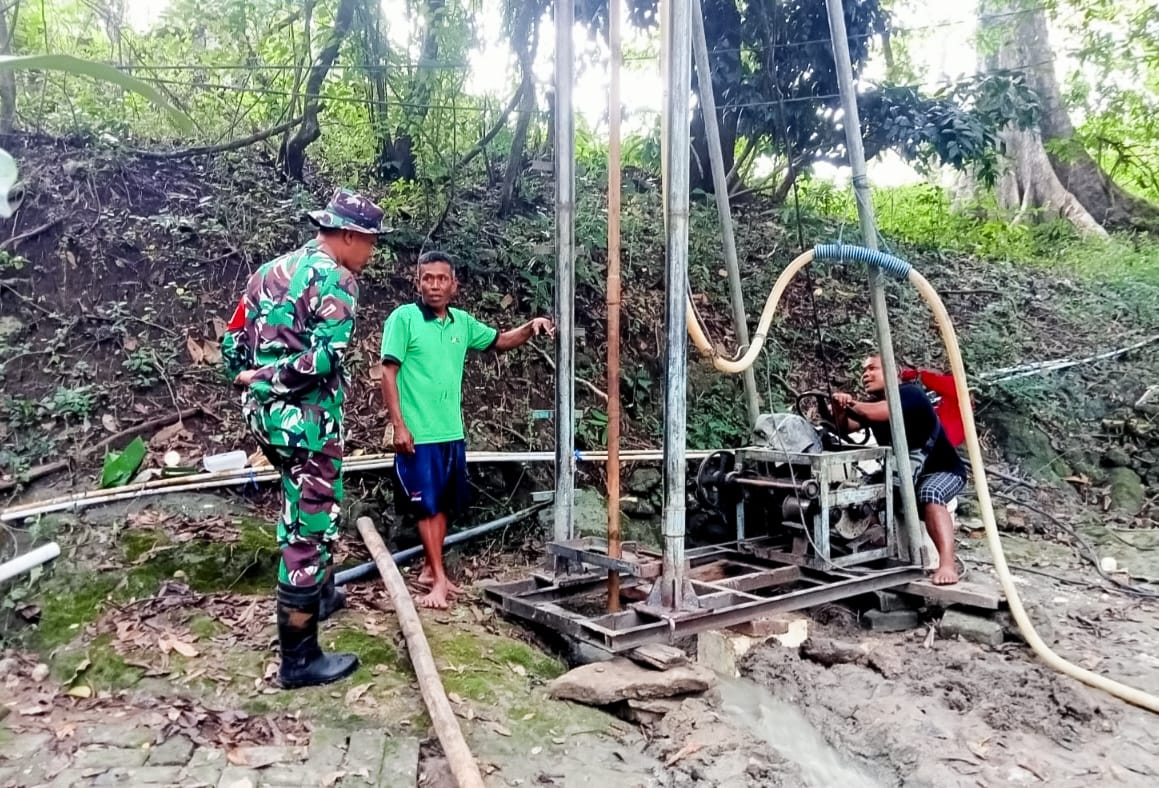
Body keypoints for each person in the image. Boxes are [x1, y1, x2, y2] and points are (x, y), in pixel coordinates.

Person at [223, 187, 387, 688]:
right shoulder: (337, 280)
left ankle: (320, 595)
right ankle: (299, 662)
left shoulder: (268, 271)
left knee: (306, 503)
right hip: (305, 420)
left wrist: (250, 378)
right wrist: (271, 379)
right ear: (347, 235)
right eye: (370, 243)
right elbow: (325, 359)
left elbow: (234, 340)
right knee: (310, 527)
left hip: (265, 419)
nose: (372, 254)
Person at [380, 250, 554, 609]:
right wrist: (399, 426)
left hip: (450, 432)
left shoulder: (462, 323)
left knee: (443, 504)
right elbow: (388, 372)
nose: (434, 285)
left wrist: (531, 326)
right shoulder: (404, 319)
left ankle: (432, 570)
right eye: (427, 278)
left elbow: (500, 341)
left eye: (442, 278)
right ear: (418, 282)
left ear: (453, 285)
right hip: (418, 433)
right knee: (426, 508)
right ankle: (440, 581)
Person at [831, 354, 967, 585]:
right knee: (863, 491)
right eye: (863, 371)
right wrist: (838, 408)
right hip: (905, 472)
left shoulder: (909, 394)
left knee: (930, 495)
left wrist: (850, 402)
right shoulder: (873, 404)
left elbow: (879, 412)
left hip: (943, 470)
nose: (866, 375)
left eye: (872, 369)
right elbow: (846, 427)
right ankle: (875, 543)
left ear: (893, 372)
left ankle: (947, 563)